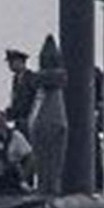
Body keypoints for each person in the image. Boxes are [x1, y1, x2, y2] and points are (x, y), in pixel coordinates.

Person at [28, 35, 68, 194]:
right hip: (44, 125)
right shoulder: (43, 94)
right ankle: (46, 185)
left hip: (51, 126)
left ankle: (51, 185)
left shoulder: (52, 86)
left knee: (52, 160)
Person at [3, 47, 38, 127]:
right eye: (9, 62)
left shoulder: (31, 78)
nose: (10, 65)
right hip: (19, 120)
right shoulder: (15, 80)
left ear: (21, 62)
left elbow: (34, 100)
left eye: (12, 62)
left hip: (30, 120)